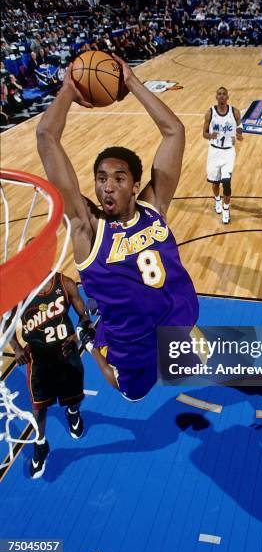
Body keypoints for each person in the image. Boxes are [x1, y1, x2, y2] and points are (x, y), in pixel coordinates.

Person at [36, 54, 199, 402]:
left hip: (177, 323)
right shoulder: (87, 228)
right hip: (132, 346)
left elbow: (175, 132)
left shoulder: (154, 206)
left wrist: (132, 83)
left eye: (119, 178)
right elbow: (46, 136)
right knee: (130, 391)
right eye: (101, 178)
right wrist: (67, 90)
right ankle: (94, 340)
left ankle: (100, 333)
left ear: (136, 185)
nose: (108, 186)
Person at [10, 272, 92, 478]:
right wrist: (16, 348)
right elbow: (5, 322)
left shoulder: (65, 284)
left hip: (66, 354)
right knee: (39, 408)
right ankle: (40, 443)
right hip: (38, 359)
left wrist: (76, 336)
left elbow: (84, 317)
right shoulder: (20, 293)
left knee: (74, 397)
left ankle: (73, 413)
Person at [202, 87, 243, 224]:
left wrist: (239, 134)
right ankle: (217, 200)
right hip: (214, 151)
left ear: (227, 97)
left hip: (228, 152)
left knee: (226, 182)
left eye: (223, 94)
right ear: (216, 97)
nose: (221, 96)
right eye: (219, 94)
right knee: (215, 182)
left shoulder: (235, 112)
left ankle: (226, 210)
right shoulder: (210, 113)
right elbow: (204, 134)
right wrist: (210, 135)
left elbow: (240, 125)